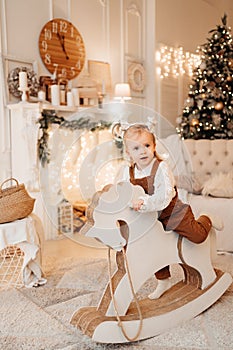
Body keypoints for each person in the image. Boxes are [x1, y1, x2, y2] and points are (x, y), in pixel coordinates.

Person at [117, 124, 223, 299]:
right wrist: (130, 203)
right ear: (128, 153)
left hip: (172, 213)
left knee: (197, 237)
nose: (143, 151)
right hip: (149, 218)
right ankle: (163, 280)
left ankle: (207, 220)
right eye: (136, 148)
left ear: (154, 146)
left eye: (147, 145)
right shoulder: (127, 172)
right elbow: (124, 192)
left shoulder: (161, 168)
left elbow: (164, 196)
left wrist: (143, 203)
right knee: (152, 247)